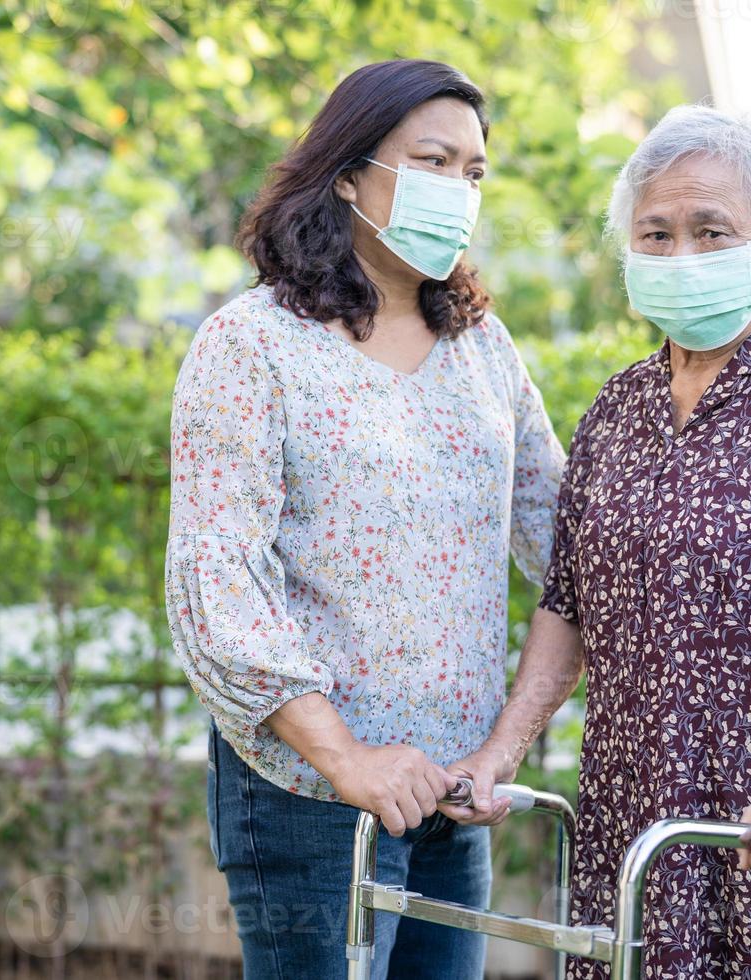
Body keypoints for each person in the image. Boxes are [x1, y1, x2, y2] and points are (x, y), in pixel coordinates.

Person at [447, 105, 751, 977]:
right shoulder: (617, 410)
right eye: (655, 234)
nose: (680, 256)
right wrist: (500, 754)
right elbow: (568, 604)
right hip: (632, 824)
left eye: (712, 231)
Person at [164, 59, 565, 979]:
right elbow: (217, 578)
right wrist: (344, 756)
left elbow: (566, 544)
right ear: (348, 173)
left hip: (455, 798)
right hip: (309, 797)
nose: (458, 193)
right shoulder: (252, 345)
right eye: (431, 162)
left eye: (473, 174)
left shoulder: (482, 350)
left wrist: (500, 751)